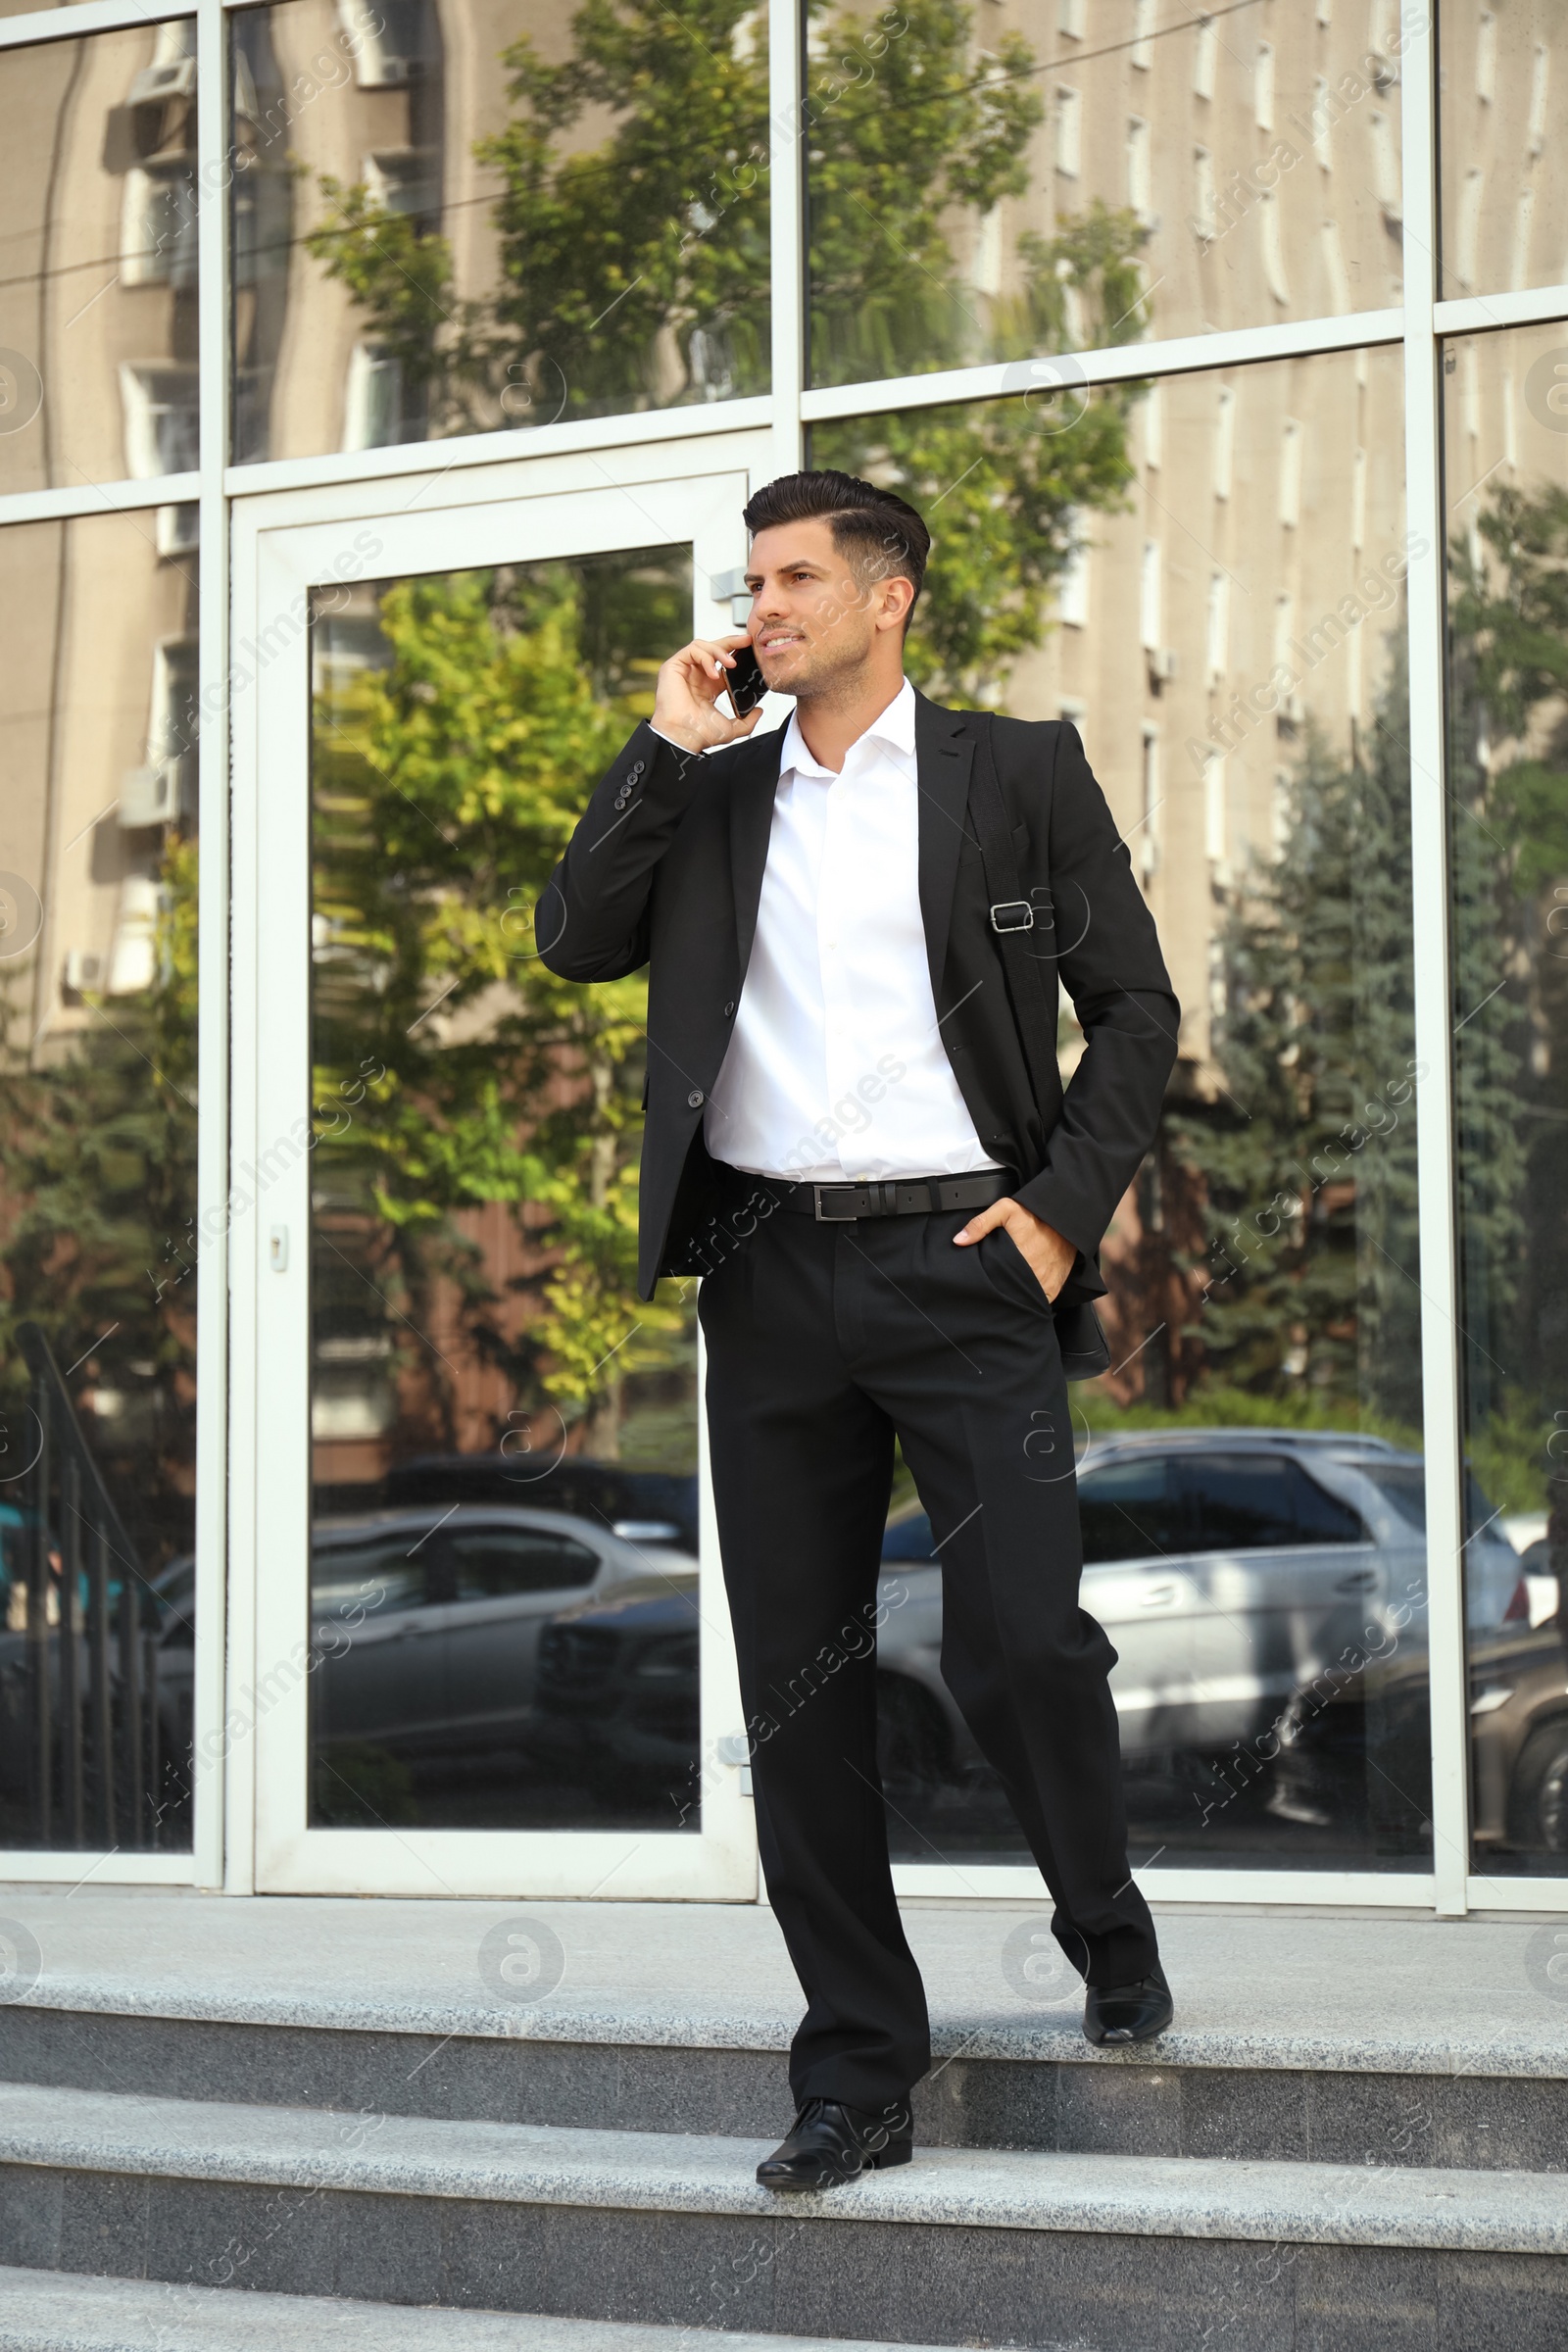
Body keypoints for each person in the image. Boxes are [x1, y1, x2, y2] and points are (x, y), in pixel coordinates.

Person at [541, 468, 1180, 2192]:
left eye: (796, 577)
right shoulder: (718, 791)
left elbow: (1137, 1009)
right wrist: (668, 748)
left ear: (889, 596)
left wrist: (1059, 1213)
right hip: (766, 1279)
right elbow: (574, 937)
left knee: (1022, 1641)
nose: (762, 608)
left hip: (968, 1260)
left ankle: (1102, 1918)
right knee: (800, 1690)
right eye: (752, 581)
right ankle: (857, 2070)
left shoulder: (1019, 772)